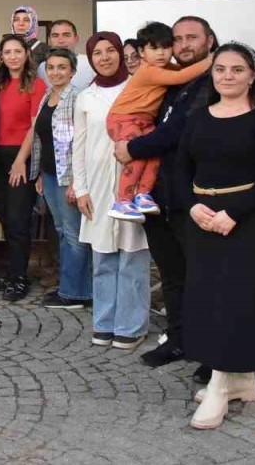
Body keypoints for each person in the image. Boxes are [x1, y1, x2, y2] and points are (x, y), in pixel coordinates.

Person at [175, 43, 255, 430]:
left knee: (237, 302)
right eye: (220, 69)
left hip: (248, 224)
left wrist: (232, 214)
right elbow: (180, 170)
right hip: (203, 220)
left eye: (237, 70)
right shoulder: (198, 118)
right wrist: (192, 206)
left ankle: (220, 387)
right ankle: (242, 381)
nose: (227, 76)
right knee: (209, 300)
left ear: (252, 75)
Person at [120, 16, 217, 373]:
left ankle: (212, 353)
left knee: (200, 276)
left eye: (192, 37)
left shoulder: (211, 81)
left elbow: (179, 130)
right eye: (177, 39)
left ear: (210, 41)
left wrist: (132, 148)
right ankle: (179, 342)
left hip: (192, 198)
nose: (183, 45)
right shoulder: (172, 79)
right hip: (157, 196)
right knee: (172, 275)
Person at [70, 32, 151, 352]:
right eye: (98, 53)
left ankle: (131, 325)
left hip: (130, 183)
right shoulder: (85, 97)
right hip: (98, 187)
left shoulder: (138, 88)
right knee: (103, 257)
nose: (105, 58)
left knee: (132, 256)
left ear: (121, 53)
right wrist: (81, 189)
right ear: (90, 59)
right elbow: (77, 146)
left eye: (111, 51)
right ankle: (104, 322)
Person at [105, 22, 211, 221]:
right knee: (135, 156)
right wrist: (210, 61)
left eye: (166, 47)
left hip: (144, 120)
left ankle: (142, 194)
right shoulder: (149, 70)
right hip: (124, 118)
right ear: (142, 52)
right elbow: (182, 76)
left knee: (153, 156)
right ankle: (123, 200)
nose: (161, 53)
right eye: (154, 48)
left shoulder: (165, 66)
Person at [0, 34, 47, 301]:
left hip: (20, 157)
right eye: (7, 52)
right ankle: (12, 272)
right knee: (4, 217)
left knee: (18, 219)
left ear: (26, 54)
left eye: (17, 51)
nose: (12, 56)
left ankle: (20, 277)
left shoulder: (36, 85)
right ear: (1, 56)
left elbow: (35, 127)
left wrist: (20, 161)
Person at [31, 49, 90, 310]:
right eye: (51, 67)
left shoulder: (78, 98)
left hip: (70, 176)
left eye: (62, 67)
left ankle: (77, 293)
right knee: (61, 232)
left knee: (74, 234)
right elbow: (42, 139)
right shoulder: (47, 96)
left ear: (73, 71)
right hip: (51, 175)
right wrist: (40, 174)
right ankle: (70, 287)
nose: (56, 72)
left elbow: (82, 142)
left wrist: (78, 181)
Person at [38, 20, 95, 90]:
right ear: (49, 40)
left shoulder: (90, 62)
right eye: (55, 36)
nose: (61, 41)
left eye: (66, 35)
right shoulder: (42, 67)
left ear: (76, 39)